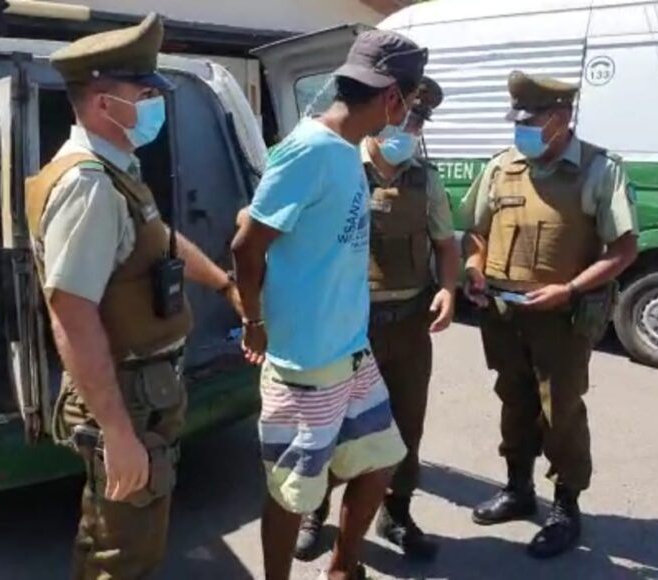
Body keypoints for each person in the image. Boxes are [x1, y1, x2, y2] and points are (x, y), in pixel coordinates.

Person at [24, 14, 242, 579]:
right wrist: (119, 434)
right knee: (122, 556)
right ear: (104, 103)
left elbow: (158, 236)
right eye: (144, 95)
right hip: (127, 396)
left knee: (118, 536)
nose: (155, 104)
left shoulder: (117, 171)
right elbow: (71, 314)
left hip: (146, 390)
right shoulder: (89, 186)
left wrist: (223, 284)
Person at [231, 30, 428, 580]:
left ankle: (343, 567)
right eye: (410, 102)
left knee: (382, 458)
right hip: (307, 363)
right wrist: (253, 321)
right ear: (392, 97)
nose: (408, 115)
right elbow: (246, 244)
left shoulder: (346, 151)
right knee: (292, 490)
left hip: (351, 352)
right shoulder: (309, 150)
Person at [459, 71, 639, 559]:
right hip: (502, 315)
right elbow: (476, 233)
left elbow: (624, 250)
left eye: (531, 121)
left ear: (561, 118)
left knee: (560, 412)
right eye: (518, 121)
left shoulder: (599, 170)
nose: (521, 130)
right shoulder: (501, 167)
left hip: (562, 319)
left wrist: (570, 288)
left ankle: (565, 506)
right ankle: (518, 489)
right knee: (514, 403)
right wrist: (474, 269)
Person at [293, 77, 458, 563]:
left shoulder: (425, 181)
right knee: (332, 426)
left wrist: (448, 289)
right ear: (382, 116)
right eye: (404, 118)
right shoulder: (340, 167)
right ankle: (314, 512)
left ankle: (397, 512)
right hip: (347, 326)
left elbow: (445, 244)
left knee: (405, 427)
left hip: (408, 326)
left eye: (418, 122)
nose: (408, 130)